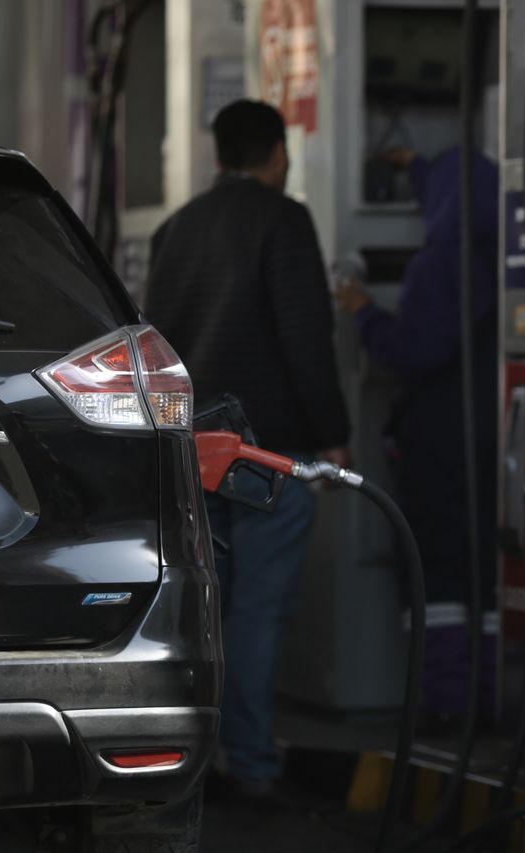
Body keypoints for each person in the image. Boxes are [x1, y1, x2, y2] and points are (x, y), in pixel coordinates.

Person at [144, 99, 351, 803]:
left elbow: (155, 343)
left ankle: (199, 765)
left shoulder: (176, 230)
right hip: (267, 458)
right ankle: (253, 762)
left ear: (216, 155)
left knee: (203, 611)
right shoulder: (283, 221)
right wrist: (331, 432)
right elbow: (306, 339)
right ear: (278, 154)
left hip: (190, 454)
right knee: (258, 610)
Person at [332, 146, 499, 728]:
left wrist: (362, 312)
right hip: (493, 440)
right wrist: (411, 160)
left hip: (438, 440)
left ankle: (446, 701)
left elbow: (413, 349)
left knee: (437, 570)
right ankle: (488, 694)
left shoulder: (441, 265)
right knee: (486, 570)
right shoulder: (505, 259)